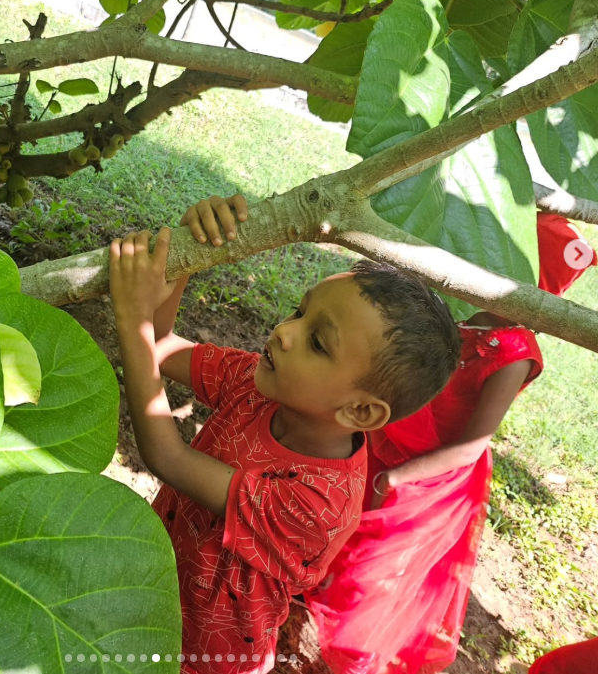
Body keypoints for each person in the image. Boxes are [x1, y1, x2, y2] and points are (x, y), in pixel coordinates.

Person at [108, 195, 463, 674]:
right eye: (299, 312)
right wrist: (189, 255)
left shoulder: (316, 502)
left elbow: (166, 456)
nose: (283, 332)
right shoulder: (262, 383)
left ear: (360, 409)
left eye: (317, 342)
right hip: (148, 591)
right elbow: (162, 346)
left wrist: (132, 315)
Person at [299, 211, 596, 674]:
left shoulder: (513, 351)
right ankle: (306, 586)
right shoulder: (456, 310)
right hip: (387, 439)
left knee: (375, 567)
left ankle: (354, 654)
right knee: (339, 519)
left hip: (428, 481)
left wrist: (399, 477)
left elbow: (470, 447)